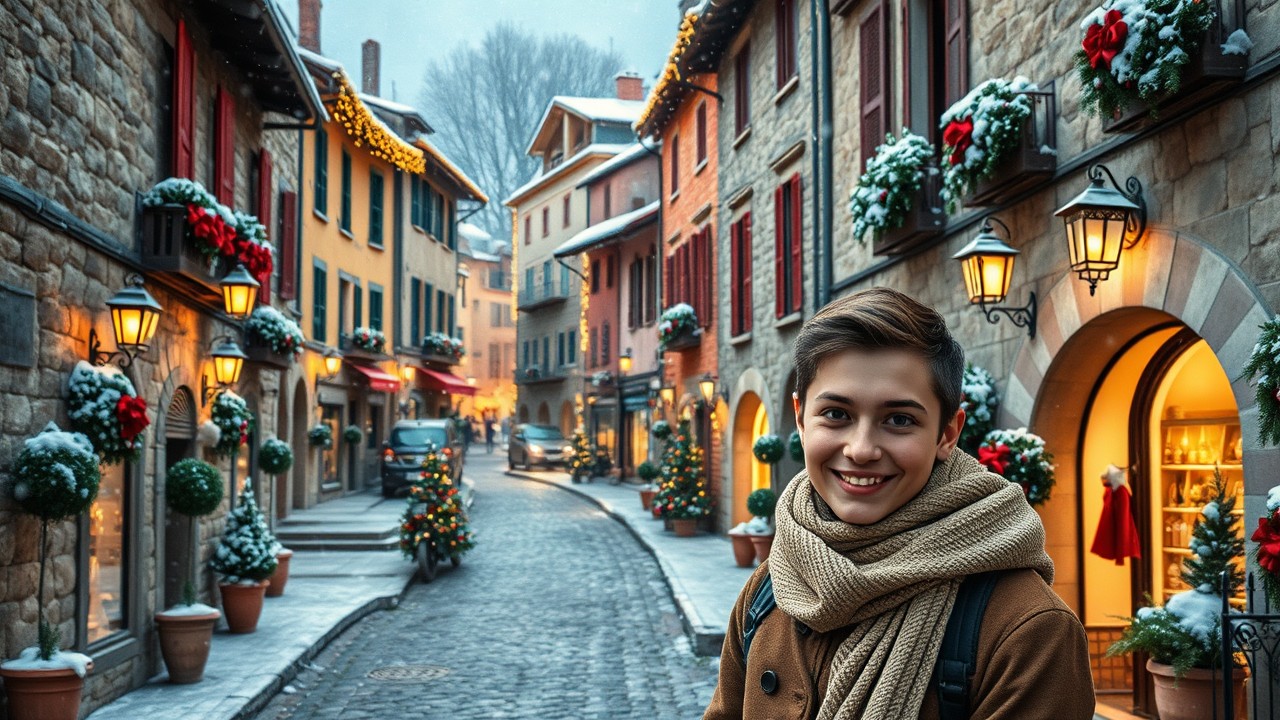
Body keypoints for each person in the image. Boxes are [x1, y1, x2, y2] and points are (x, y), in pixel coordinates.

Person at [703, 287, 1093, 720]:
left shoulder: (1029, 631)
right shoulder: (770, 587)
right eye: (836, 414)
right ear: (800, 417)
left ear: (947, 433)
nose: (862, 449)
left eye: (899, 420)